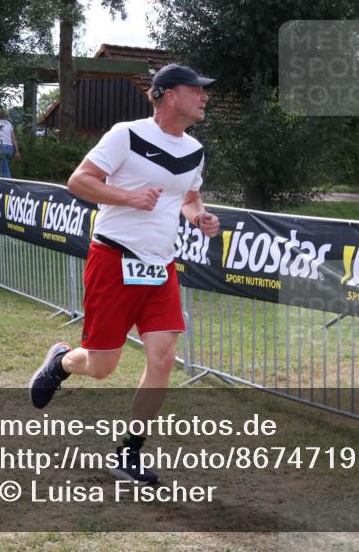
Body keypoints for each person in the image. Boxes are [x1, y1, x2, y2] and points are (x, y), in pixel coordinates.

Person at [28, 64, 220, 484]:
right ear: (169, 95)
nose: (204, 97)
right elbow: (79, 181)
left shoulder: (195, 149)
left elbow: (188, 196)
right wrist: (129, 197)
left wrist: (199, 216)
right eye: (197, 90)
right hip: (114, 259)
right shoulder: (126, 134)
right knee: (102, 367)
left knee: (164, 359)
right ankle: (61, 361)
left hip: (160, 265)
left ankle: (129, 452)